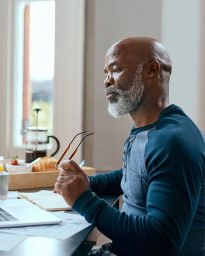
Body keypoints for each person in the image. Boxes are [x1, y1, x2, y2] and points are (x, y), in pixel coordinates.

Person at [54, 37, 205, 256]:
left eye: (115, 70)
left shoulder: (171, 141)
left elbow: (161, 242)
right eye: (106, 73)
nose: (107, 81)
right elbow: (136, 176)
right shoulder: (151, 130)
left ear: (152, 70)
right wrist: (87, 183)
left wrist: (83, 200)